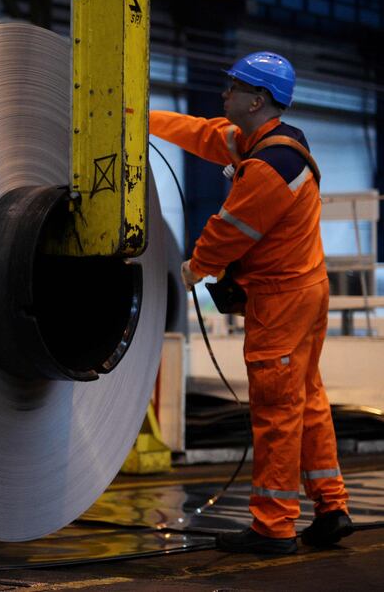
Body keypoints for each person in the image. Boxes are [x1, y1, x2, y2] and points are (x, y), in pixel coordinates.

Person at [150, 51, 351, 555]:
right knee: (306, 400)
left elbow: (229, 230)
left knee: (276, 408)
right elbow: (201, 133)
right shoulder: (267, 142)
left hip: (283, 299)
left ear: (257, 99)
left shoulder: (269, 166)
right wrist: (138, 120)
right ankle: (332, 507)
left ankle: (274, 526)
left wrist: (198, 266)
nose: (224, 96)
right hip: (305, 289)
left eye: (233, 89)